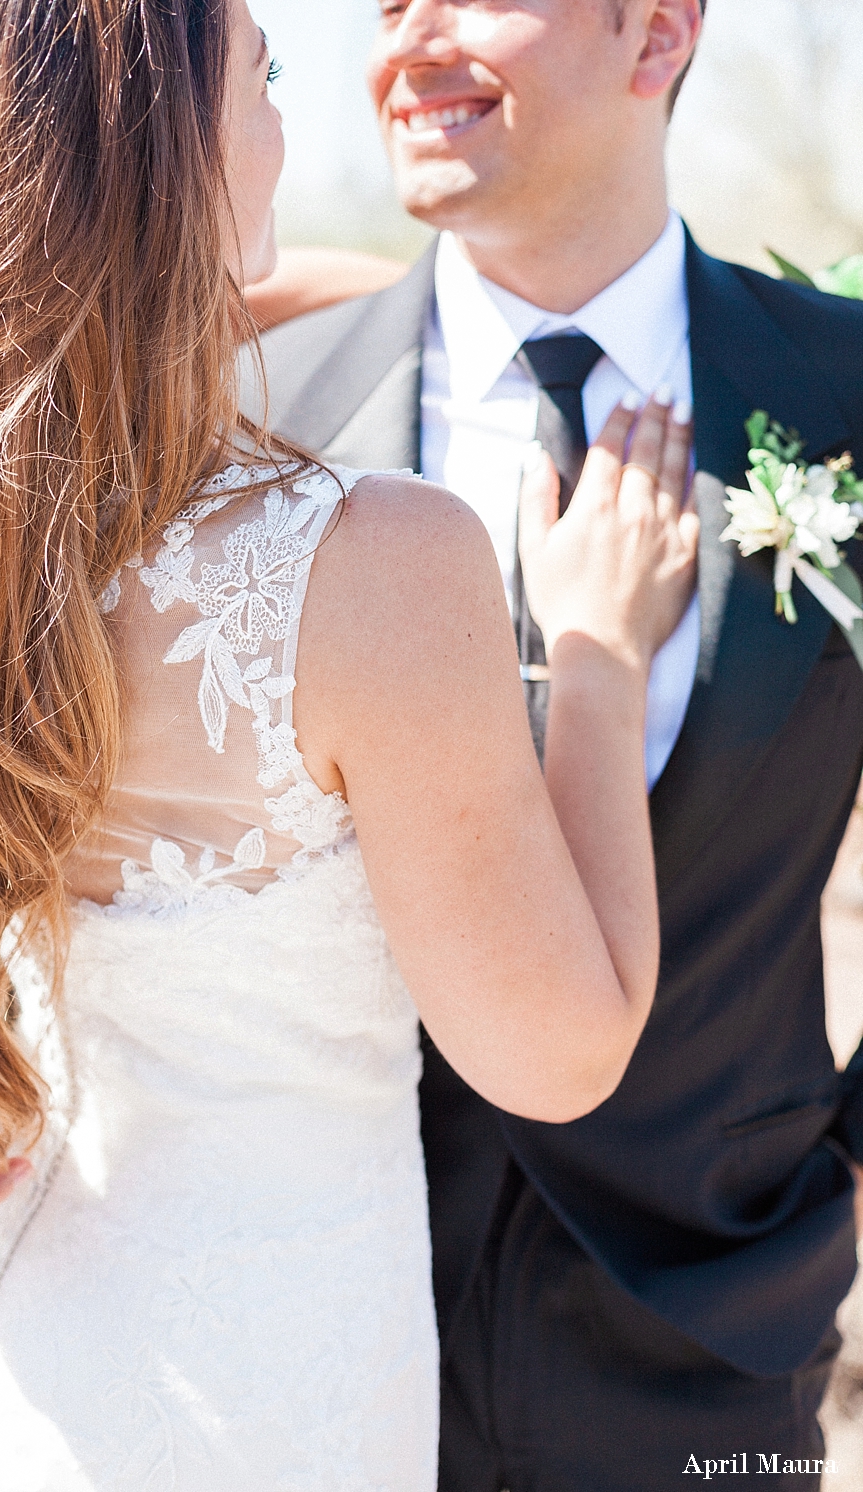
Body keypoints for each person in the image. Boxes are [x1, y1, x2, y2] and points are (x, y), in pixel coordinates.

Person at [0, 0, 698, 1486]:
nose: (287, 119)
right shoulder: (370, 567)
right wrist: (598, 655)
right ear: (171, 148)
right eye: (265, 69)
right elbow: (562, 1051)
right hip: (261, 1409)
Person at [254, 1, 863, 1488]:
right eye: (390, 5)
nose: (409, 40)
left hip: (720, 1332)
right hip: (326, 1335)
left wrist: (835, 1170)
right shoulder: (263, 413)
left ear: (655, 34)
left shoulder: (841, 396)